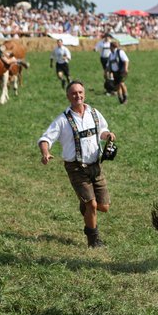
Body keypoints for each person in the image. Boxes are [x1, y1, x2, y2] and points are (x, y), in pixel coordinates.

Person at [38, 80, 116, 248]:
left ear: (84, 94)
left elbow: (102, 130)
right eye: (73, 93)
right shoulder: (62, 120)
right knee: (92, 205)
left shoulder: (94, 113)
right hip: (75, 168)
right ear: (68, 96)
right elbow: (45, 138)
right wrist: (45, 153)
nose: (77, 96)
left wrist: (108, 134)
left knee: (104, 206)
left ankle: (85, 203)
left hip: (95, 166)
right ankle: (93, 240)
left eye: (80, 92)